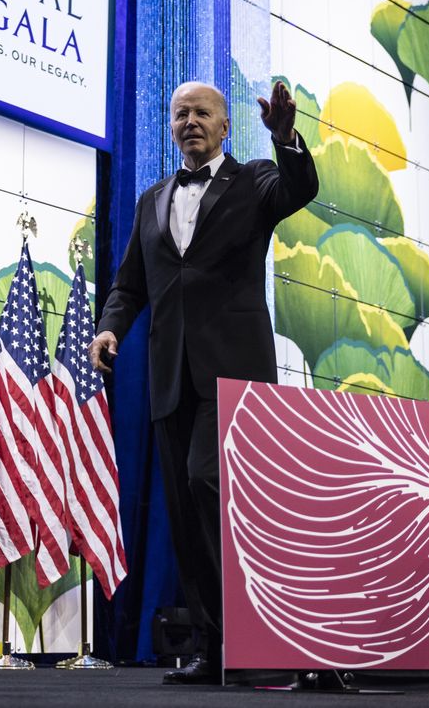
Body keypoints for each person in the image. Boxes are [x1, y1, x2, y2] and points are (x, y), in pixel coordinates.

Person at [88, 79, 318, 684]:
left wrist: (286, 136)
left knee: (208, 483)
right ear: (171, 126)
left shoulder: (257, 179)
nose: (191, 121)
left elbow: (301, 187)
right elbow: (130, 283)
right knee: (187, 515)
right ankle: (216, 650)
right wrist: (112, 327)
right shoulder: (151, 200)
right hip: (170, 376)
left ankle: (265, 641)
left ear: (224, 127)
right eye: (181, 113)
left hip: (234, 374)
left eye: (203, 113)